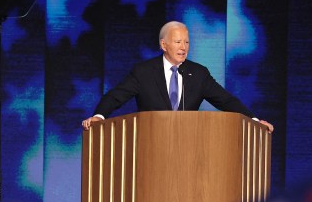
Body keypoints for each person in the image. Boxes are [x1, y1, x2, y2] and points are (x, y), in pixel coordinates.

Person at [82, 20, 273, 133]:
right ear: (164, 45)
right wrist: (99, 116)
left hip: (189, 147)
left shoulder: (199, 74)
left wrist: (254, 121)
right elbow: (116, 96)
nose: (184, 47)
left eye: (187, 42)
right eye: (178, 42)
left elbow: (226, 100)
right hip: (151, 145)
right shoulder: (144, 72)